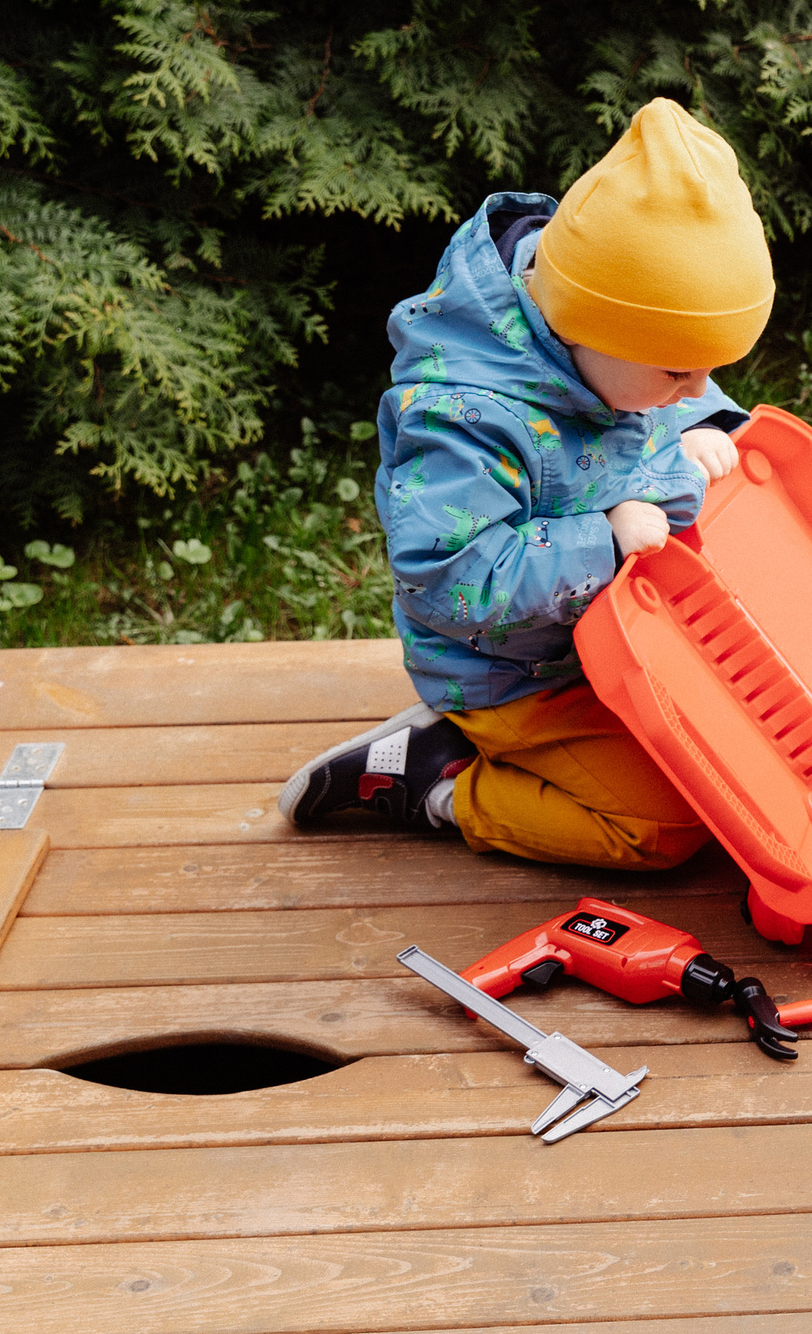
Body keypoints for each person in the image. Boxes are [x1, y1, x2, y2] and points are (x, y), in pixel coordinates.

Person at [278, 97, 774, 870]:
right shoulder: (463, 416)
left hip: (624, 642)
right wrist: (602, 539)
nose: (696, 386)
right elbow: (448, 577)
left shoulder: (607, 338)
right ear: (589, 326)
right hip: (520, 676)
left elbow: (655, 388)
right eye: (681, 373)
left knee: (750, 768)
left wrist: (704, 422)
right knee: (671, 824)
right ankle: (438, 781)